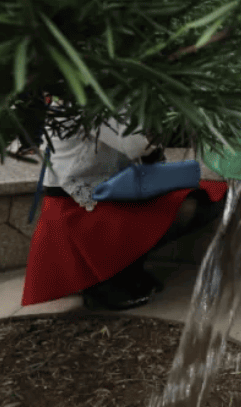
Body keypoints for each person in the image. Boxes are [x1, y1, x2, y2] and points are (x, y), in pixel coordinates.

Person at [21, 121, 228, 310]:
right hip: (77, 202)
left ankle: (127, 269)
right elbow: (134, 144)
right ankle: (103, 282)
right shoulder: (91, 95)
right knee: (188, 206)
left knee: (205, 198)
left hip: (109, 189)